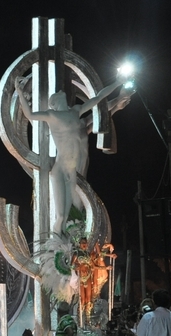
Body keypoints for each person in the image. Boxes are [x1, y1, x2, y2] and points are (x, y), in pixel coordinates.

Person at [14, 75, 127, 234]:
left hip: (74, 169)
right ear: (54, 103)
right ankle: (56, 246)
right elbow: (30, 115)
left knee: (75, 210)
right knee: (61, 215)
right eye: (58, 93)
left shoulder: (76, 111)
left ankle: (73, 244)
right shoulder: (52, 115)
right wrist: (19, 92)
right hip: (60, 169)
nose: (61, 91)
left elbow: (99, 98)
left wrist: (118, 83)